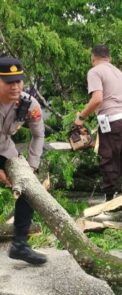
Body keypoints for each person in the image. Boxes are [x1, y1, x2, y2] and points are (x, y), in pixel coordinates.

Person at [74, 44, 122, 200]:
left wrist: (81, 118)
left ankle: (110, 196)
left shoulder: (94, 71)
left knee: (108, 156)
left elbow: (97, 99)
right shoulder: (118, 72)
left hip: (112, 120)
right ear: (108, 57)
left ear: (93, 58)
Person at [0, 56, 47, 264]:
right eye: (9, 82)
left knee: (27, 184)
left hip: (5, 148)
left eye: (18, 81)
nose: (15, 87)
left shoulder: (28, 104)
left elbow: (38, 135)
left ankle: (20, 244)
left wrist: (32, 166)